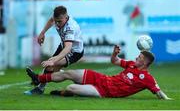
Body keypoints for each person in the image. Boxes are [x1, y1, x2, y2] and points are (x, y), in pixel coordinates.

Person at [26, 45, 171, 99]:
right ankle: (39, 78)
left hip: (103, 92)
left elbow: (159, 93)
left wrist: (168, 100)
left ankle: (63, 93)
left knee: (71, 87)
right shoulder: (132, 65)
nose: (136, 58)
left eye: (139, 57)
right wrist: (114, 54)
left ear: (145, 62)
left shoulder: (147, 78)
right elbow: (115, 61)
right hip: (102, 78)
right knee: (68, 74)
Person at [24, 5, 84, 95]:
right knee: (52, 69)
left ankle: (39, 86)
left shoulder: (70, 27)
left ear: (66, 17)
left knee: (50, 65)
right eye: (56, 22)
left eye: (60, 21)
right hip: (63, 46)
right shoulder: (58, 18)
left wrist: (54, 61)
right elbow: (51, 20)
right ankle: (77, 80)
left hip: (74, 52)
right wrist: (42, 33)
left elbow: (68, 48)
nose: (58, 24)